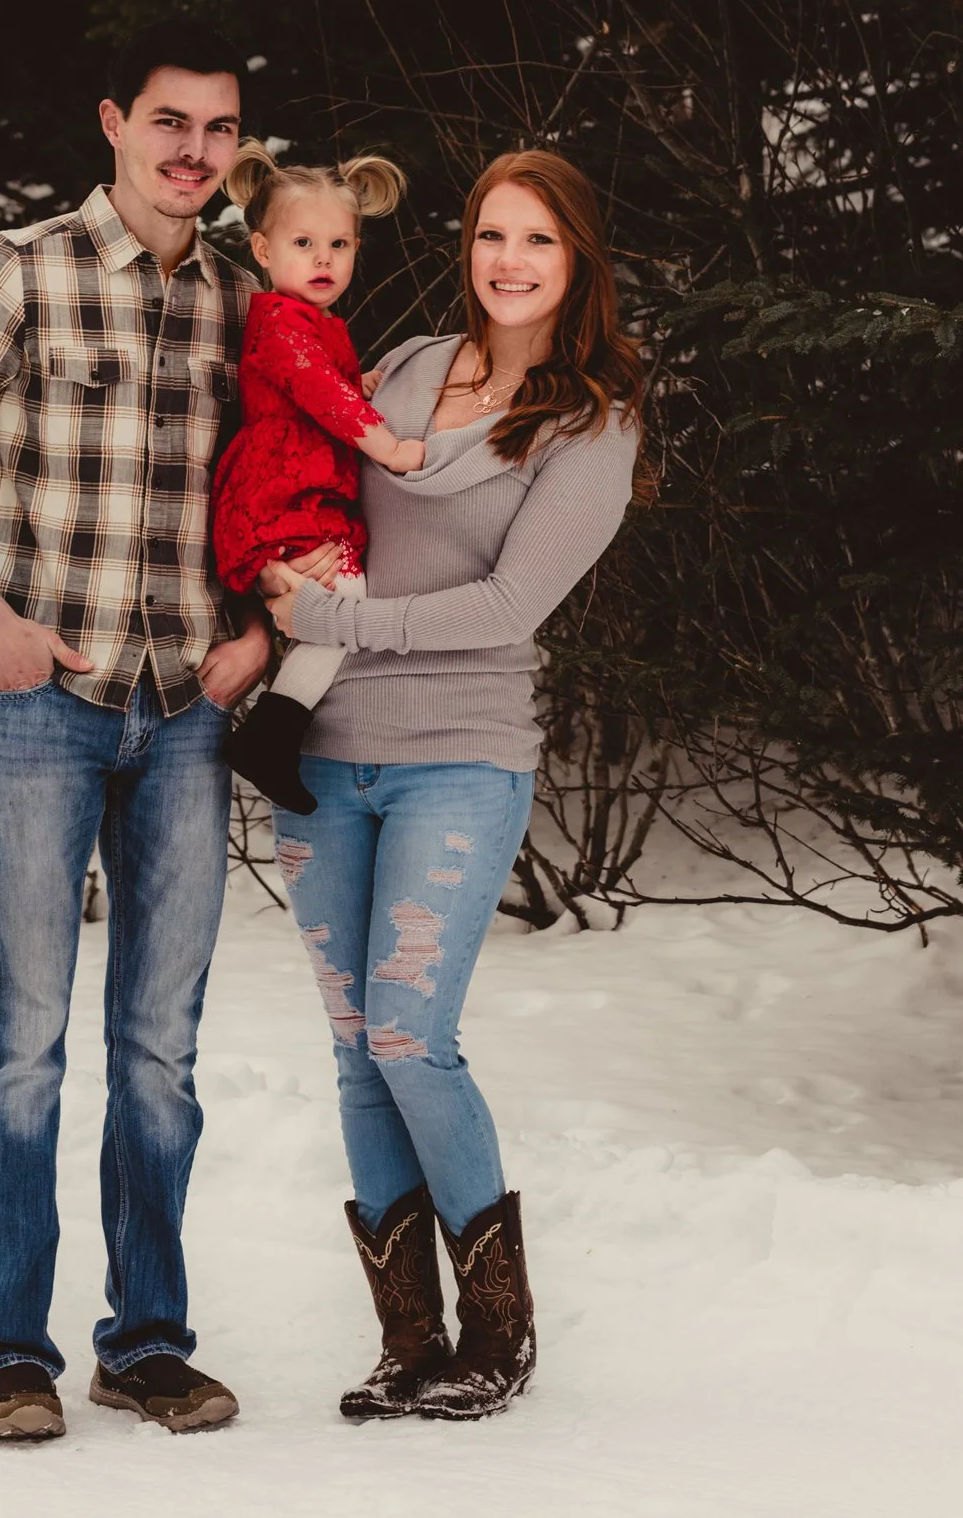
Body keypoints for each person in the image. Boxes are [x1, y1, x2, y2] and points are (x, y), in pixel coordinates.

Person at [0, 18, 270, 1441]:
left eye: (220, 130)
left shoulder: (241, 295)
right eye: (171, 122)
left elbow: (294, 489)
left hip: (188, 719)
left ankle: (146, 1338)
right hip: (46, 707)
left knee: (160, 1047)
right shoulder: (24, 269)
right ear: (115, 121)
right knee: (24, 1038)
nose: (194, 154)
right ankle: (9, 1350)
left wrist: (262, 639)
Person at [258, 148, 647, 1423]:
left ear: (576, 257)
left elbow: (507, 604)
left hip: (459, 755)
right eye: (492, 234)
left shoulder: (592, 420)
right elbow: (311, 477)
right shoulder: (413, 366)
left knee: (413, 1035)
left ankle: (498, 1334)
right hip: (316, 753)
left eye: (538, 239)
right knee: (357, 1053)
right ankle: (407, 1341)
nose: (511, 261)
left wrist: (334, 619)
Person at [210, 145, 426, 815]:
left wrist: (355, 380)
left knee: (339, 601)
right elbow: (315, 393)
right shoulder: (277, 318)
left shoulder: (317, 323)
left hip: (301, 490)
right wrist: (389, 446)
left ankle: (276, 732)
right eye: (304, 243)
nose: (324, 258)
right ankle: (273, 733)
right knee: (344, 602)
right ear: (263, 250)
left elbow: (320, 384)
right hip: (280, 491)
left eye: (339, 243)